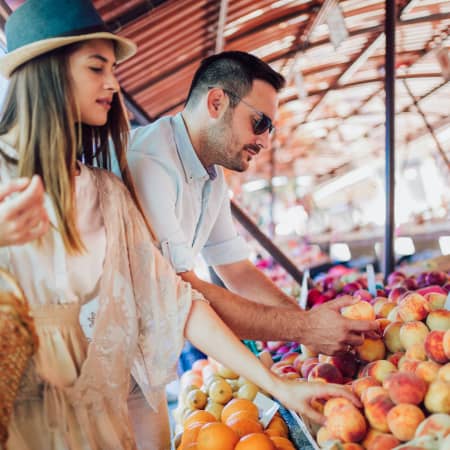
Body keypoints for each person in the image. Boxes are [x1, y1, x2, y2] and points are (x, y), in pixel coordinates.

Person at [0, 1, 360, 449]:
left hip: (107, 405)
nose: (113, 83)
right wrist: (302, 330)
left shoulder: (107, 192)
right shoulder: (147, 163)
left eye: (113, 69)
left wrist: (281, 379)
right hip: (23, 416)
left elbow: (176, 297)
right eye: (97, 68)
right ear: (46, 71)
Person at [126, 51, 380, 357]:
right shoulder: (151, 163)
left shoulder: (211, 176)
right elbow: (181, 289)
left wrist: (310, 324)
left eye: (270, 129)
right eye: (260, 123)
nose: (265, 141)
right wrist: (306, 328)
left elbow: (237, 270)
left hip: (142, 354)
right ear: (216, 103)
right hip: (99, 356)